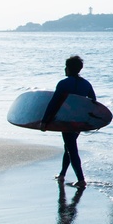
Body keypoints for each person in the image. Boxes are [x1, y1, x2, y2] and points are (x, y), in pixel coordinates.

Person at [41, 55, 96, 188]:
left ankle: (81, 180)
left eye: (66, 67)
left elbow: (53, 104)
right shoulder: (86, 84)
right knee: (69, 146)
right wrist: (90, 121)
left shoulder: (63, 83)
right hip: (79, 122)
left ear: (68, 69)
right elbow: (93, 102)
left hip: (66, 121)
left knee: (71, 149)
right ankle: (62, 175)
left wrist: (45, 121)